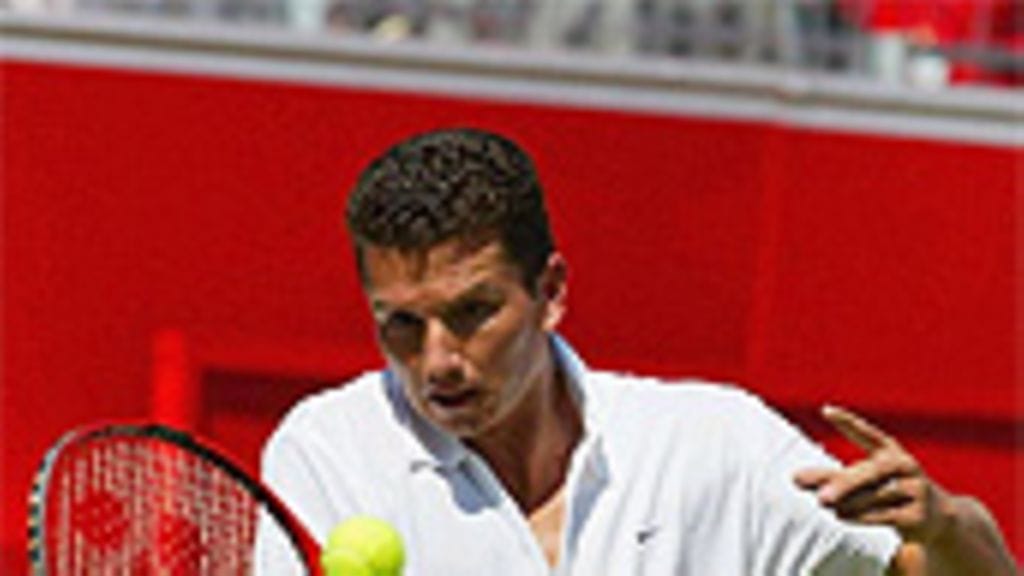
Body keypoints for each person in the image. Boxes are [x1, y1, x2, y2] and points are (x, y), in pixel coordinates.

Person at [255, 127, 1016, 575]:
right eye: (401, 325)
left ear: (550, 292)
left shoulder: (711, 443)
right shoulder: (328, 450)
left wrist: (946, 525)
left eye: (473, 313)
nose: (439, 361)